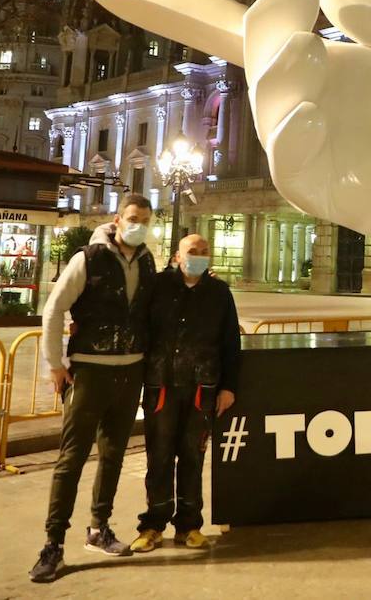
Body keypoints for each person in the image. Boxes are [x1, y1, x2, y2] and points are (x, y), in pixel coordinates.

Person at [29, 194, 157, 583]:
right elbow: (53, 310)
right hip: (91, 373)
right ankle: (53, 545)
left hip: (129, 371)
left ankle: (99, 527)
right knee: (71, 459)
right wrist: (54, 363)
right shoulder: (88, 258)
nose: (139, 226)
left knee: (114, 454)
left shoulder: (148, 261)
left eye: (145, 221)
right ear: (118, 220)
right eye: (133, 218)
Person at [131, 234, 242, 552]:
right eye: (192, 252)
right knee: (159, 458)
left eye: (204, 252)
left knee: (193, 458)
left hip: (201, 389)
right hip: (161, 386)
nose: (199, 256)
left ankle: (190, 525)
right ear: (177, 257)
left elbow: (230, 342)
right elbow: (140, 327)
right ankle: (152, 524)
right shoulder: (157, 286)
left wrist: (228, 387)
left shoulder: (219, 292)